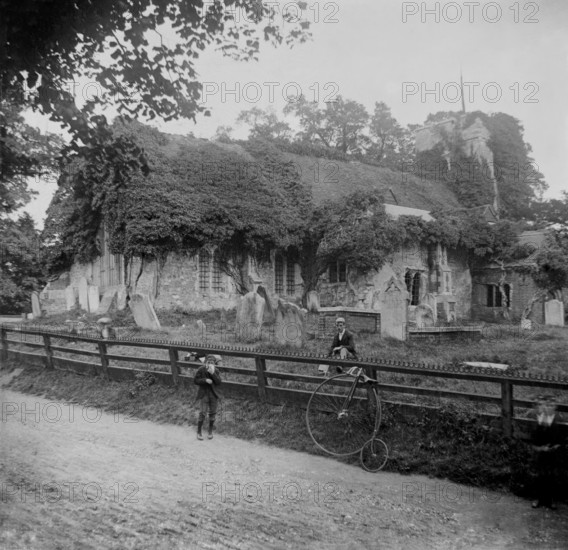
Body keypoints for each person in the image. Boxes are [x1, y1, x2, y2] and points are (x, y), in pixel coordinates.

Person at [530, 396, 564, 509]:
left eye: (552, 406)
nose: (548, 408)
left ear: (556, 407)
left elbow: (562, 439)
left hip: (554, 453)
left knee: (552, 476)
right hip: (541, 452)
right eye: (547, 405)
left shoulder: (559, 420)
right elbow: (535, 438)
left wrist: (554, 447)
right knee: (539, 475)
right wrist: (540, 448)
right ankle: (538, 498)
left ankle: (551, 500)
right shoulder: (541, 419)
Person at [194, 354, 222, 440]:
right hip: (204, 394)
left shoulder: (216, 371)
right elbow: (195, 380)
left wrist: (213, 373)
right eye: (208, 362)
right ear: (205, 362)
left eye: (212, 362)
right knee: (202, 413)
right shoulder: (201, 369)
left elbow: (218, 382)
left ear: (214, 363)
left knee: (212, 413)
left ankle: (210, 432)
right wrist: (205, 380)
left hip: (213, 395)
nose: (210, 364)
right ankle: (199, 432)